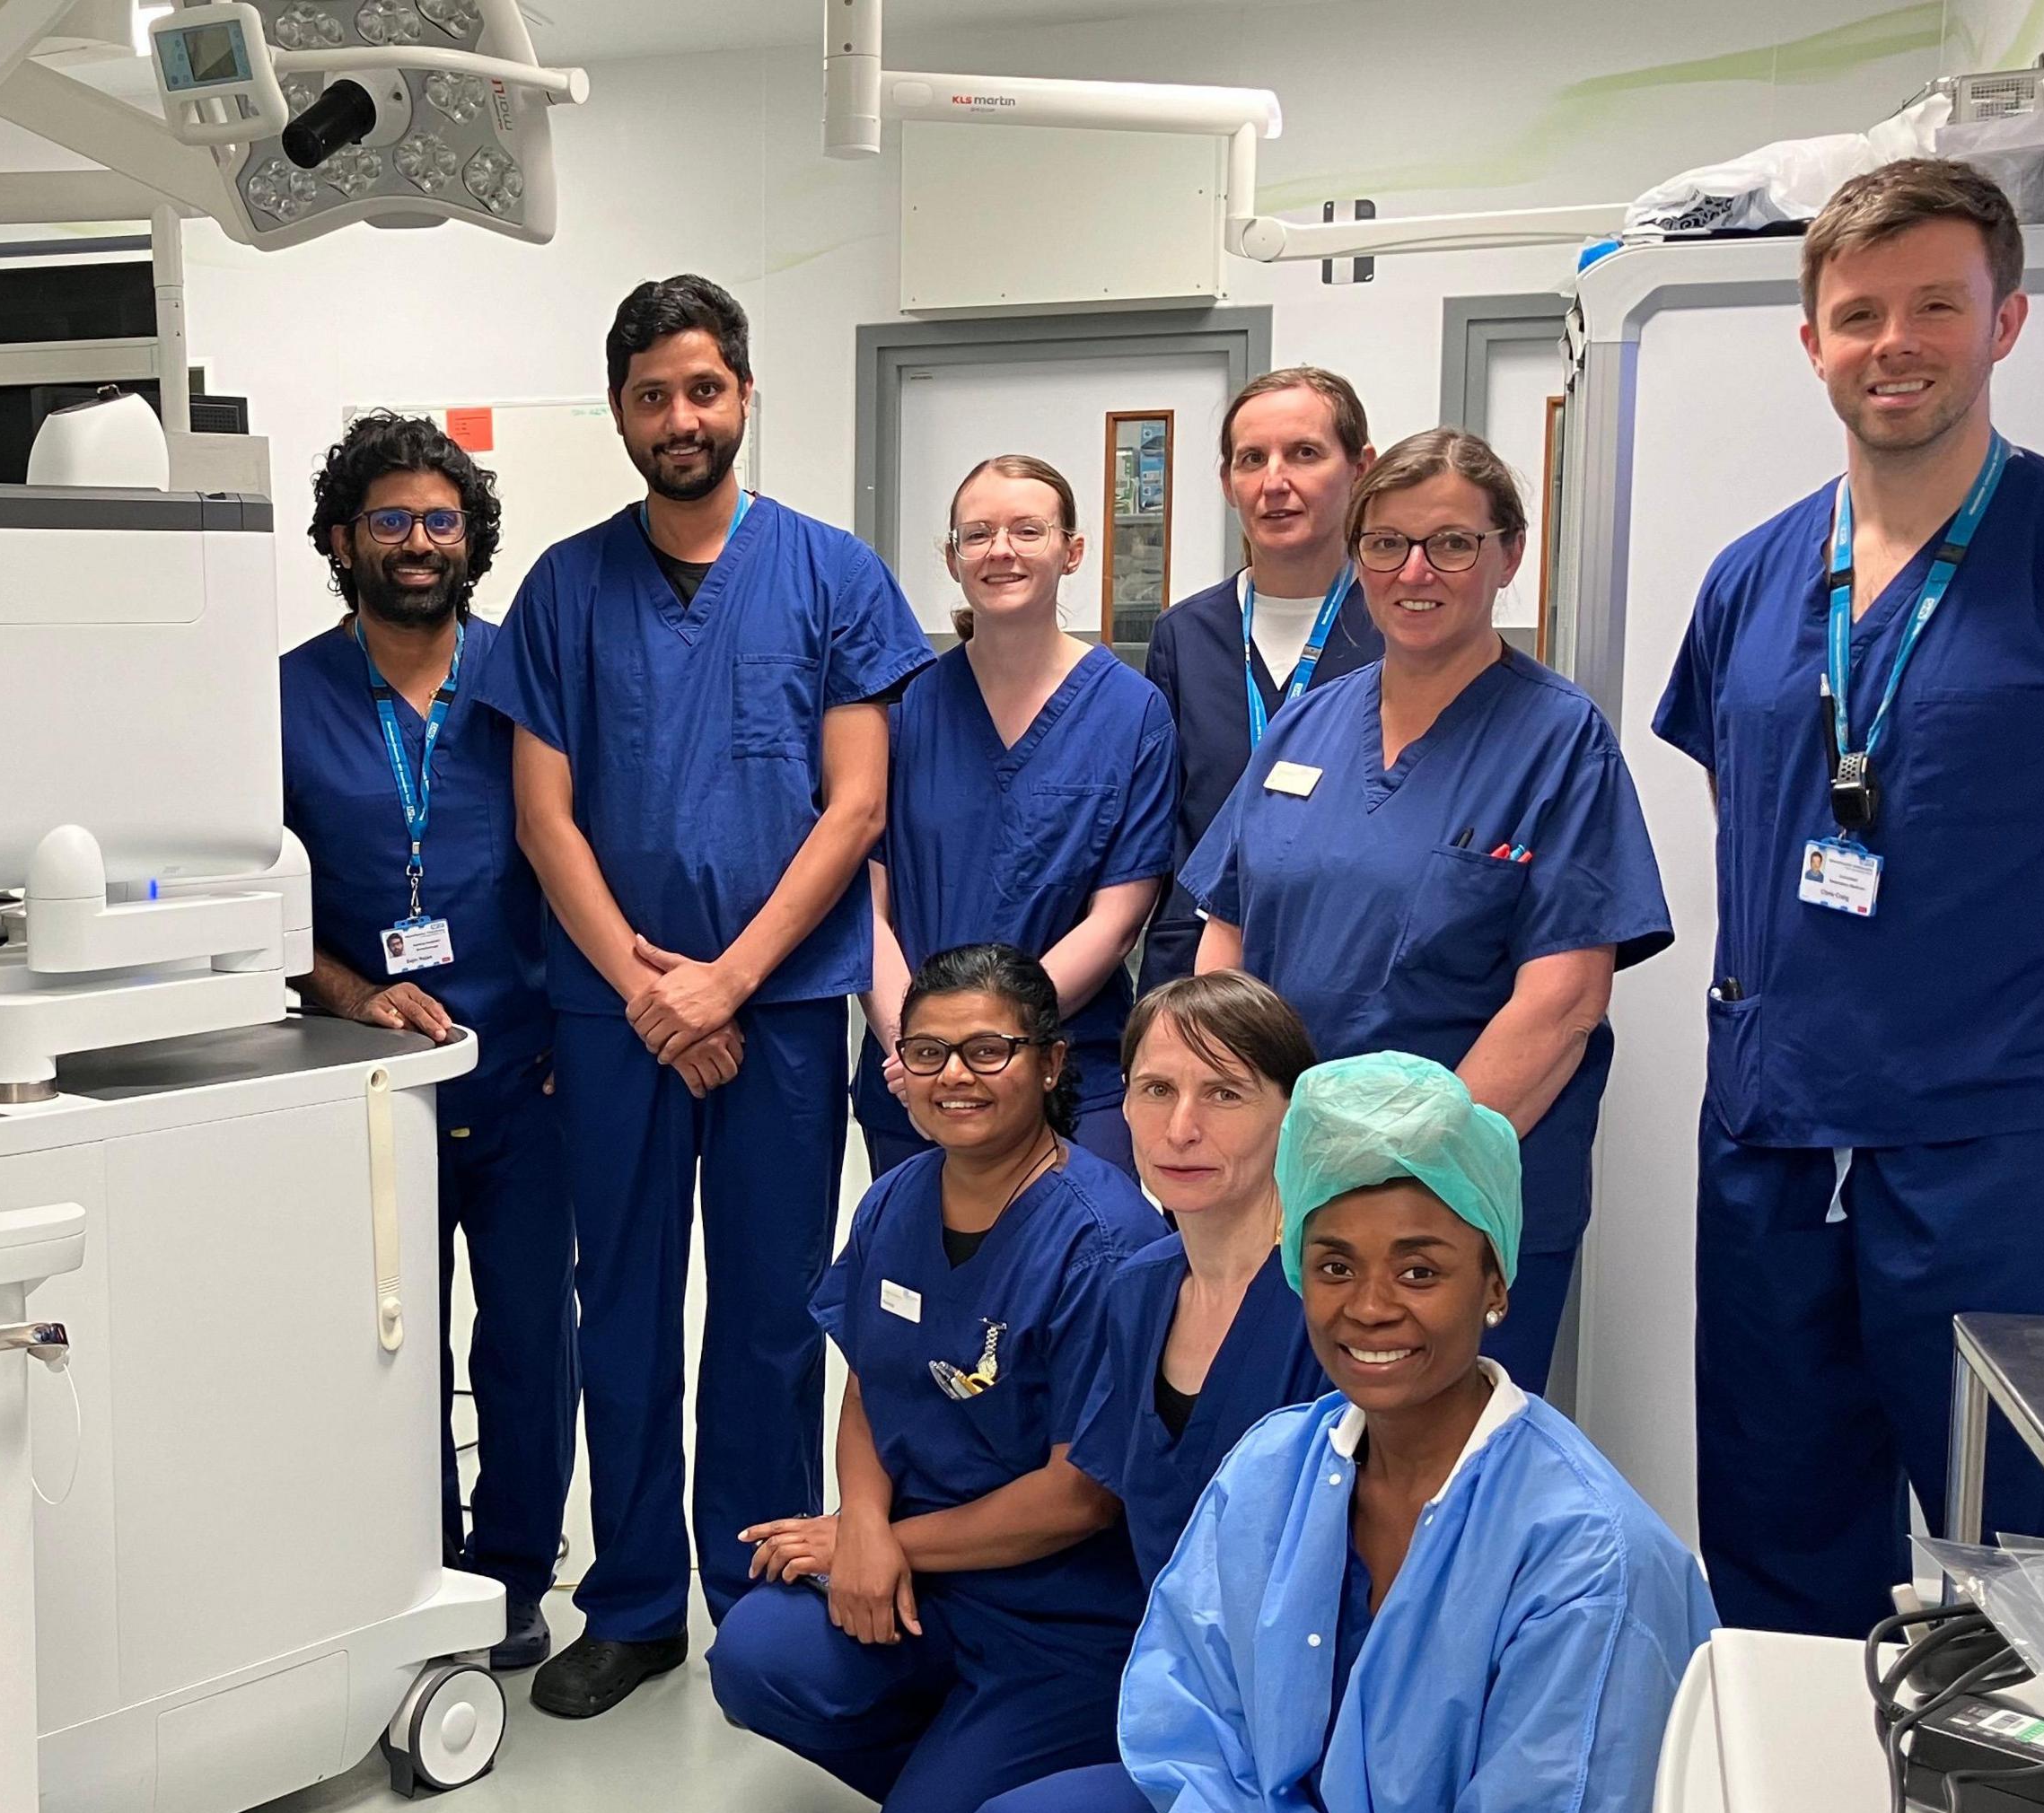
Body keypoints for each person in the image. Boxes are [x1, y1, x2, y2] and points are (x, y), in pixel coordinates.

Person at [1655, 159, 2044, 1637]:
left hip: (2007, 1171)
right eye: (1859, 312)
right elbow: (1766, 820)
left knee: (2041, 1579)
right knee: (1775, 1542)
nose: (1897, 341)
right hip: (1775, 1149)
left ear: (2005, 320)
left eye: (1937, 302)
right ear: (1812, 340)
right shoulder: (1751, 581)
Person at [487, 274, 931, 1718]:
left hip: (782, 1016)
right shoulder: (564, 587)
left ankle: (749, 1597)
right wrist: (647, 989)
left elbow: (855, 805)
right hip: (613, 1019)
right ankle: (628, 1604)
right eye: (650, 395)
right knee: (614, 1306)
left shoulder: (832, 576)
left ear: (743, 395)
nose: (680, 418)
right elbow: (547, 819)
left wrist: (730, 980)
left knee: (763, 1317)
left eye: (703, 389)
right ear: (619, 411)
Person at [1110, 1053, 1718, 1813]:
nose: (1370, 1307)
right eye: (1334, 1267)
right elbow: (1202, 1743)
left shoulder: (1592, 1560)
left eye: (1420, 1271)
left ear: (1498, 1283)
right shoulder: (1274, 1470)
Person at [1184, 429, 1671, 1390]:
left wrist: (1392, 1180)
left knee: (1436, 1487)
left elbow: (1564, 1001)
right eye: (1387, 544)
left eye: (1451, 544)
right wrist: (1243, 1126)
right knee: (1295, 1469)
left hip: (1447, 1208)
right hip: (1288, 1188)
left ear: (1508, 556)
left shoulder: (1557, 738)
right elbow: (1227, 935)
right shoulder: (1309, 722)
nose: (1416, 571)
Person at [706, 944, 1159, 1813]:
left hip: (1063, 1625)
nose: (954, 1075)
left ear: (1049, 1063)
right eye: (927, 1052)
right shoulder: (896, 1198)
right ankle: (956, 1766)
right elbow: (872, 1377)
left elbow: (1085, 1493)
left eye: (990, 1050)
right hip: (926, 1585)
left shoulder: (1108, 1241)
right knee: (755, 1652)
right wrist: (862, 1522)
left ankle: (1028, 1778)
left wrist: (885, 1546)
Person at [920, 971, 1329, 1813]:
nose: (1182, 1128)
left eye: (1225, 1094)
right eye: (1155, 1090)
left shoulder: (1328, 1305)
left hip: (1307, 1737)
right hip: (1176, 1703)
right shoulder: (1139, 1290)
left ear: (1292, 1113)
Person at [278, 411, 574, 1673]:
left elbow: (586, 857)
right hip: (361, 1080)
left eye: (440, 520)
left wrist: (581, 1016)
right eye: (389, 519)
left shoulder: (524, 683)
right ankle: (399, 1564)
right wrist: (352, 994)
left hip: (525, 1066)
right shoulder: (283, 698)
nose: (416, 542)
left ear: (472, 539)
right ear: (343, 540)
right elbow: (252, 898)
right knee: (379, 1343)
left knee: (524, 1332)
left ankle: (509, 1573)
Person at [860, 455, 1176, 1177]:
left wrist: (990, 1043)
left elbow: (1117, 919)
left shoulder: (1132, 714)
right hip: (913, 1078)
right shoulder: (901, 711)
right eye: (978, 534)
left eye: (1027, 530)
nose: (1001, 550)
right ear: (951, 557)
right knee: (925, 1282)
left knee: (1075, 1272)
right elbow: (866, 907)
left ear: (1072, 551)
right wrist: (921, 1049)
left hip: (1066, 1072)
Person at [1136, 368, 1384, 996]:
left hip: (1348, 958)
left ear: (1361, 468)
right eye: (1252, 459)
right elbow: (1163, 824)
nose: (1275, 482)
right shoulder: (1185, 636)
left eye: (1304, 453)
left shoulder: (1395, 633)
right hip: (1196, 971)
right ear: (1227, 482)